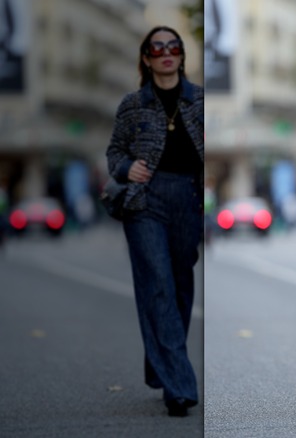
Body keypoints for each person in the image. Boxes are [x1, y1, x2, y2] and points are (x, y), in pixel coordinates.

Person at [105, 26, 203, 417]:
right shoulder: (133, 104)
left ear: (181, 55)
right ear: (146, 58)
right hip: (145, 202)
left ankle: (160, 360)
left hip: (188, 200)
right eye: (156, 48)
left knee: (180, 287)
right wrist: (129, 168)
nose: (166, 53)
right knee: (158, 285)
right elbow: (113, 153)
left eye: (173, 46)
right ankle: (179, 388)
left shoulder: (199, 101)